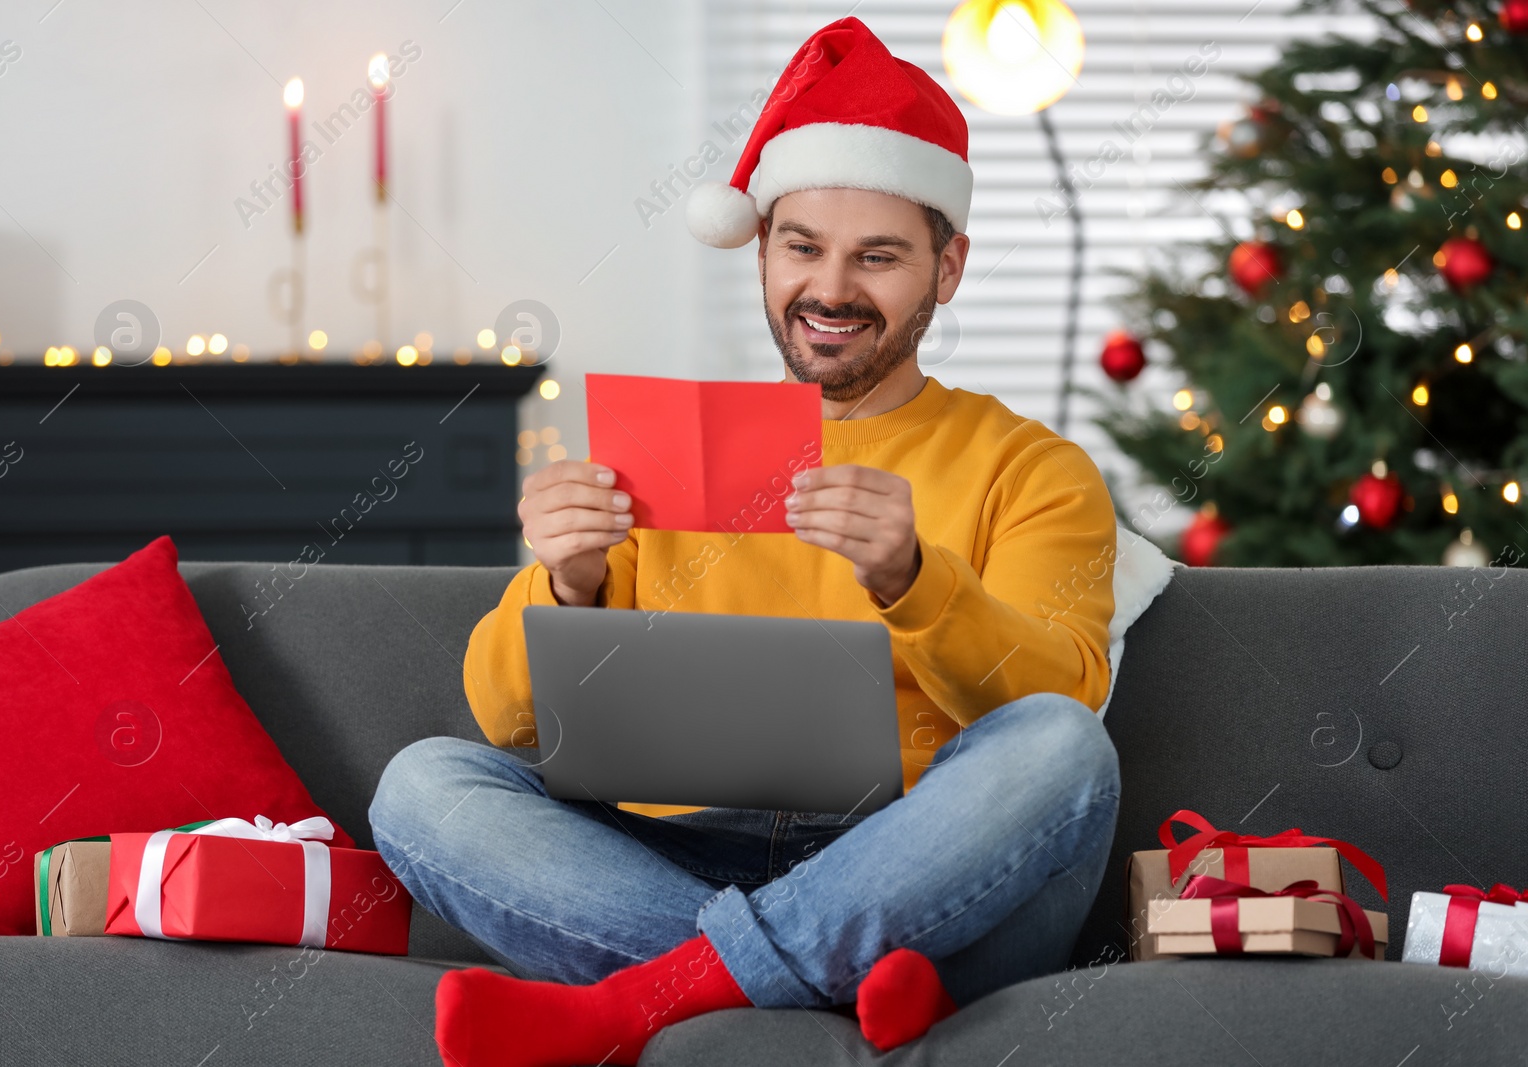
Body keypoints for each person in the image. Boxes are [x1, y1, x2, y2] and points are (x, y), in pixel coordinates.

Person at [370, 16, 1121, 1067]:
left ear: (946, 270)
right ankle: (840, 982)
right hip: (682, 849)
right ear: (761, 249)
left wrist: (914, 579)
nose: (830, 290)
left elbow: (1062, 701)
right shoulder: (661, 446)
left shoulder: (1031, 467)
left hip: (915, 856)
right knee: (418, 786)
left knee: (1064, 753)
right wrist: (568, 581)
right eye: (802, 247)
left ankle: (651, 997)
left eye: (879, 257)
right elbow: (500, 716)